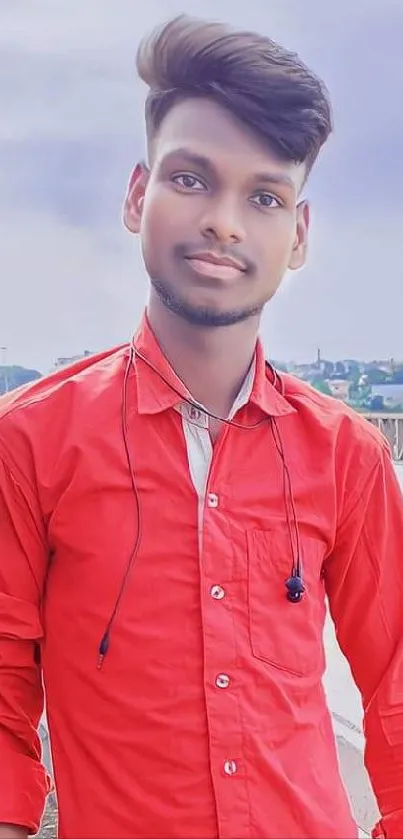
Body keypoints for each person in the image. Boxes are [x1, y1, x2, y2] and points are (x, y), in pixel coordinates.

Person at [0, 14, 402, 839]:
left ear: (296, 234)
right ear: (137, 195)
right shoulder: (32, 441)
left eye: (263, 195)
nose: (224, 220)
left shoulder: (346, 455)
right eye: (191, 179)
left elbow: (395, 679)